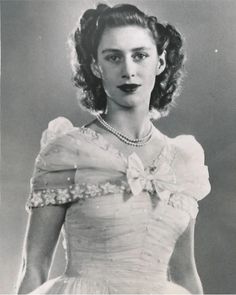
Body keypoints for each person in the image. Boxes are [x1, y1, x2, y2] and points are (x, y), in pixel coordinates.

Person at [16, 3, 211, 294]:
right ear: (96, 66)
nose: (128, 70)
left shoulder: (184, 161)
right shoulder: (67, 151)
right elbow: (33, 266)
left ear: (159, 62)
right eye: (113, 57)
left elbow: (185, 273)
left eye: (140, 55)